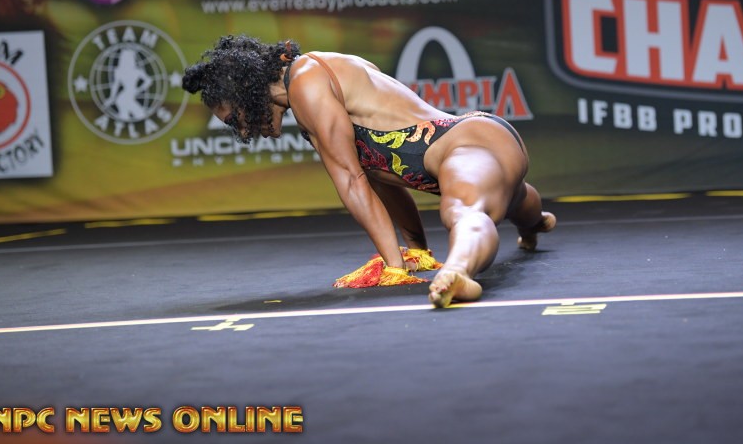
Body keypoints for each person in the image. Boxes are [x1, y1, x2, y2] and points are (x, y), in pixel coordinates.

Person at [182, 35, 555, 307]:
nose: (242, 131)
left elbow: (351, 179)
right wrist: (416, 250)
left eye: (234, 119)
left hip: (469, 143)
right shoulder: (313, 86)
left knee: (463, 212)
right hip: (474, 151)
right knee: (511, 196)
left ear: (247, 94)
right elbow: (380, 175)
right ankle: (535, 222)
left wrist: (394, 267)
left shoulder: (307, 84)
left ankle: (458, 272)